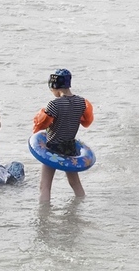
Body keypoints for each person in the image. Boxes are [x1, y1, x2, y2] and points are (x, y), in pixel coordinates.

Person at [33, 69, 94, 202]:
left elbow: (40, 126)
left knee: (45, 186)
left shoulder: (54, 104)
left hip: (53, 149)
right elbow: (86, 122)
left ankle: (43, 216)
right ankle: (82, 205)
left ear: (54, 86)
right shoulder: (82, 103)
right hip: (70, 147)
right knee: (75, 183)